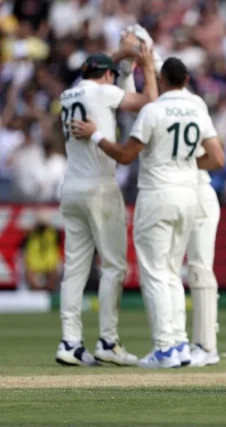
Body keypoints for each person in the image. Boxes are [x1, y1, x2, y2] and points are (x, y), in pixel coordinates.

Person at [71, 57, 226, 369]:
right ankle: (179, 343)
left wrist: (96, 135)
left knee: (155, 273)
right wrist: (182, 167)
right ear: (186, 79)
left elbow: (127, 155)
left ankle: (165, 348)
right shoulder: (197, 107)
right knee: (171, 272)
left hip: (157, 195)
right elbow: (217, 157)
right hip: (188, 196)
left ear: (163, 80)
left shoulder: (153, 110)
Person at [55, 42, 159, 367]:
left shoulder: (69, 94)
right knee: (113, 266)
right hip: (99, 186)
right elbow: (150, 103)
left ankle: (70, 342)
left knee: (74, 268)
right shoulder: (102, 93)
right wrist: (145, 65)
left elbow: (95, 75)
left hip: (70, 186)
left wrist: (116, 58)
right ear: (108, 77)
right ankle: (108, 341)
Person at [187, 158, 222, 367]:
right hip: (167, 193)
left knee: (200, 269)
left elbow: (218, 158)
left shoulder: (200, 122)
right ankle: (174, 344)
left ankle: (206, 346)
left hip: (198, 193)